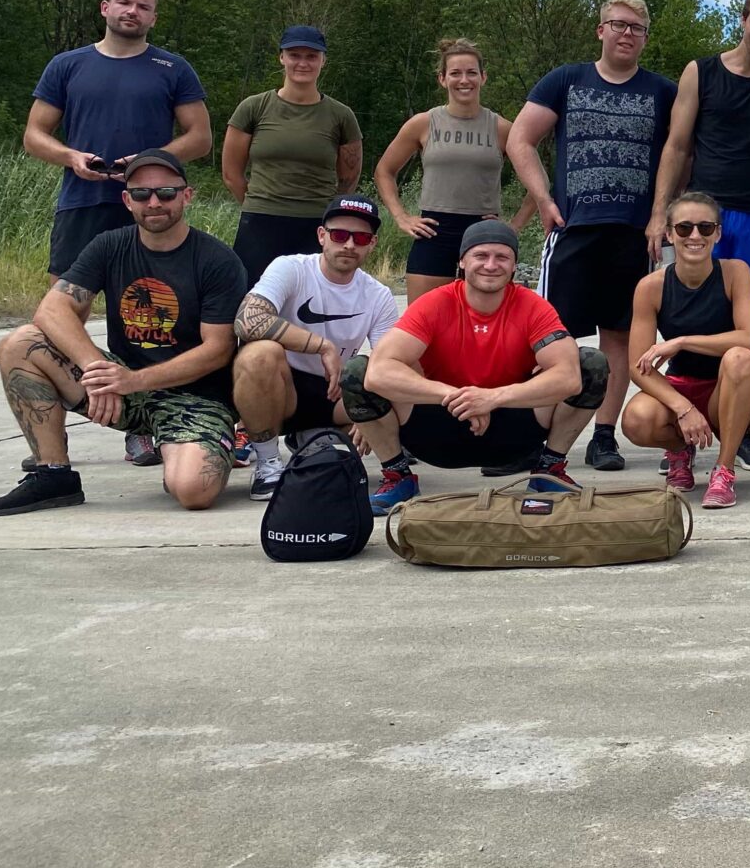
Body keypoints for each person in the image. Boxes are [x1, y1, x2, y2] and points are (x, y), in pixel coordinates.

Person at [0, 151, 246, 518]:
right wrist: (97, 369)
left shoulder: (216, 260)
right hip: (120, 388)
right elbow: (52, 309)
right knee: (21, 343)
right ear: (127, 200)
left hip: (195, 396)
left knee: (193, 490)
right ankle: (53, 474)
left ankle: (188, 448)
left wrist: (132, 380)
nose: (154, 202)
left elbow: (217, 350)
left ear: (187, 196)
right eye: (141, 194)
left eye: (167, 193)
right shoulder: (110, 245)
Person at [507, 0, 676, 474]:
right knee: (546, 337)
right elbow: (521, 138)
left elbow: (680, 152)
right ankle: (531, 436)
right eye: (618, 25)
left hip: (634, 234)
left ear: (645, 37)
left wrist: (661, 212)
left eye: (637, 28)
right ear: (600, 29)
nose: (627, 34)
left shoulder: (661, 92)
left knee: (619, 340)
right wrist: (543, 198)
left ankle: (603, 436)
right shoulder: (566, 79)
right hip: (574, 228)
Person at [348, 221, 609, 513]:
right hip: (436, 431)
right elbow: (379, 371)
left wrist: (493, 398)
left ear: (513, 266)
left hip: (513, 434)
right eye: (481, 256)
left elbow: (569, 377)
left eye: (502, 257)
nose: (491, 265)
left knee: (590, 364)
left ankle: (550, 469)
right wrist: (457, 396)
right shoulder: (434, 304)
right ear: (462, 261)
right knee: (358, 372)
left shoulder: (533, 307)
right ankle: (398, 476)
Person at [651, 0, 750, 472]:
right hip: (702, 213)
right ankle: (685, 423)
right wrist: (660, 213)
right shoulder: (702, 71)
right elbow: (676, 146)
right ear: (743, 20)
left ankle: (743, 428)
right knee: (692, 315)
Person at [25, 0, 211, 287]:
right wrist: (71, 157)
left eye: (143, 7)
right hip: (83, 200)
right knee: (66, 301)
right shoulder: (66, 65)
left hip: (152, 202)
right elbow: (33, 136)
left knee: (150, 302)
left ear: (153, 18)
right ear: (105, 7)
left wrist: (148, 160)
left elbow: (201, 139)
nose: (132, 11)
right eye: (125, 2)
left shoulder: (174, 69)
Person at [228, 194, 402, 501]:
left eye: (360, 237)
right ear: (322, 236)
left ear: (372, 244)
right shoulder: (291, 268)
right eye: (339, 235)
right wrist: (321, 346)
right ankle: (268, 462)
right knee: (258, 354)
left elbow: (391, 364)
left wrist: (374, 409)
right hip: (282, 386)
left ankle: (310, 439)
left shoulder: (379, 295)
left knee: (394, 387)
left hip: (333, 392)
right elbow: (247, 320)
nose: (349, 244)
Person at [618, 192, 750, 510]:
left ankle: (724, 471)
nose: (695, 236)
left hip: (729, 390)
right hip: (682, 387)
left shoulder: (734, 272)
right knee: (636, 419)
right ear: (670, 234)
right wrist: (682, 407)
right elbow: (637, 366)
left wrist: (682, 340)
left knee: (739, 357)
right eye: (684, 228)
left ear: (718, 232)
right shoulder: (651, 287)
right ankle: (679, 451)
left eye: (705, 227)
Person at [373, 38, 529, 304]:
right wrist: (401, 216)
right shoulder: (423, 123)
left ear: (483, 77)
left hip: (484, 232)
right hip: (434, 232)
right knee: (424, 324)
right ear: (442, 79)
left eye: (471, 72)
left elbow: (538, 183)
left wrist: (514, 227)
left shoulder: (502, 128)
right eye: (455, 73)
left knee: (483, 325)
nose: (464, 80)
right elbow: (384, 171)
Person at [223, 25, 363, 285]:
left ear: (323, 60)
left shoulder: (341, 115)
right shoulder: (253, 108)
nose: (302, 63)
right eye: (294, 55)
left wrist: (329, 215)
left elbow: (349, 177)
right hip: (260, 223)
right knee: (251, 300)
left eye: (311, 56)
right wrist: (260, 205)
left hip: (316, 225)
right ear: (282, 57)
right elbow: (232, 173)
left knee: (312, 301)